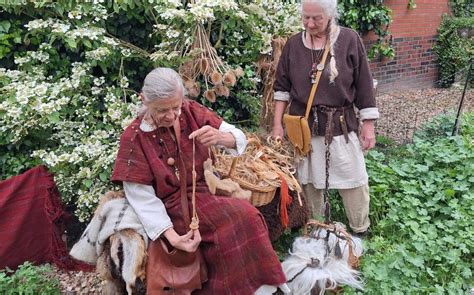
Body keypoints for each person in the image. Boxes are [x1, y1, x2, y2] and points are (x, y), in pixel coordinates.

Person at [112, 68, 288, 294]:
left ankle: (261, 288)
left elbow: (237, 137)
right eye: (162, 110)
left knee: (249, 215)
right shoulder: (134, 138)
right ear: (144, 99)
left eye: (175, 107)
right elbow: (141, 197)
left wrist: (221, 138)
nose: (171, 115)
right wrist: (173, 237)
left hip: (204, 188)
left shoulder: (190, 111)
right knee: (233, 221)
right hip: (169, 206)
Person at [272, 0, 379, 236]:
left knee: (354, 180)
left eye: (316, 18)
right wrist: (277, 125)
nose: (309, 23)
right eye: (306, 17)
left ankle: (360, 229)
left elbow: (363, 86)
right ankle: (315, 228)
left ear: (330, 15)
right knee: (310, 182)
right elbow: (281, 89)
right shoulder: (292, 45)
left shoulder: (349, 40)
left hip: (341, 125)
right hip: (305, 130)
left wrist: (368, 124)